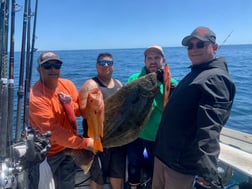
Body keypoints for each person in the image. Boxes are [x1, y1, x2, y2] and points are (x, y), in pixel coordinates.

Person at [153, 26, 236, 189]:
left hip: (179, 164)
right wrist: (166, 82)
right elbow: (187, 99)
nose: (194, 49)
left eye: (200, 44)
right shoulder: (197, 72)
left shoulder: (215, 78)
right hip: (164, 155)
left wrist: (207, 172)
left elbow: (210, 128)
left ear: (215, 47)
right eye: (190, 46)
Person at [29, 51, 94, 189]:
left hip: (68, 149)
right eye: (47, 66)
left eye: (56, 65)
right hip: (46, 155)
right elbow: (53, 131)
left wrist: (72, 104)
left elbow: (77, 112)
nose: (53, 69)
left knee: (67, 185)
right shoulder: (36, 96)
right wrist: (85, 143)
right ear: (38, 69)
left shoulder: (68, 85)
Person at [127, 45, 178, 189]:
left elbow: (171, 111)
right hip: (135, 134)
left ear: (163, 60)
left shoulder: (172, 83)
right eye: (149, 58)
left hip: (158, 136)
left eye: (157, 57)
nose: (153, 61)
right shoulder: (134, 78)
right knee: (133, 167)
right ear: (145, 61)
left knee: (155, 170)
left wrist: (168, 88)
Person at [80, 52, 126, 189]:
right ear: (96, 66)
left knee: (117, 177)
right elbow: (83, 112)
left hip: (116, 141)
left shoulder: (118, 83)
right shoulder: (90, 84)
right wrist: (97, 108)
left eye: (109, 63)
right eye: (102, 63)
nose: (106, 65)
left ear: (113, 66)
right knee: (97, 178)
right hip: (96, 140)